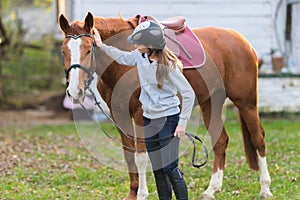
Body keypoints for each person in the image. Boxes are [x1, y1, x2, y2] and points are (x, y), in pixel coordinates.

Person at [93, 20, 195, 200]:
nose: (135, 45)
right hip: (149, 120)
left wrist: (182, 123)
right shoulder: (139, 57)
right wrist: (101, 46)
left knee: (170, 167)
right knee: (158, 169)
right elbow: (121, 57)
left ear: (150, 45)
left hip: (168, 119)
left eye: (139, 42)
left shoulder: (169, 67)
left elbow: (188, 94)